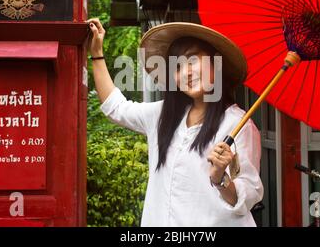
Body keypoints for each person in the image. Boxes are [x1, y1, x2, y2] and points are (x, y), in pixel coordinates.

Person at [88, 19, 263, 227]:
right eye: (177, 66)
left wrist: (220, 178)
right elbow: (116, 107)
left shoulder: (238, 125)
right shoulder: (164, 115)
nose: (186, 72)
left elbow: (247, 196)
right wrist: (97, 53)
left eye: (192, 60)